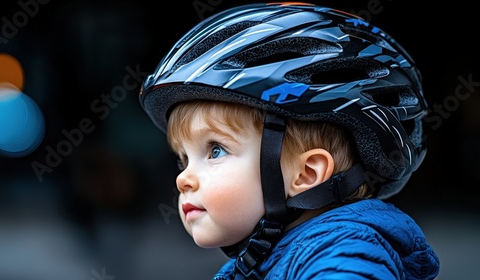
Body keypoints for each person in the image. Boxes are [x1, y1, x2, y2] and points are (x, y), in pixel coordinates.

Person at [139, 2, 440, 279]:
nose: (183, 179)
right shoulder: (260, 262)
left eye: (216, 150)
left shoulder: (343, 254)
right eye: (183, 159)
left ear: (307, 173)